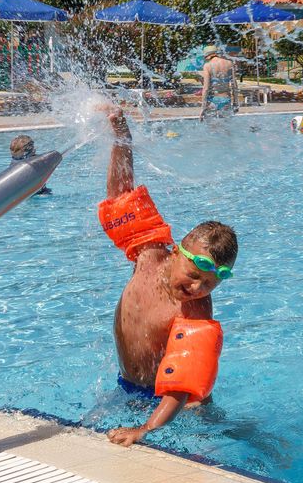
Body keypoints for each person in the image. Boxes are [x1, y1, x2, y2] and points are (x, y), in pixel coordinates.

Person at [100, 106, 238, 446]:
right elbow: (121, 196)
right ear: (175, 252)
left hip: (178, 405)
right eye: (194, 276)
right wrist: (121, 137)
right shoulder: (149, 255)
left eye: (209, 284)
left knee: (218, 447)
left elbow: (180, 385)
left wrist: (145, 430)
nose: (197, 288)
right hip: (129, 387)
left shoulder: (196, 312)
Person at [200, 45, 238, 119]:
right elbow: (234, 86)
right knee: (226, 128)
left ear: (207, 55)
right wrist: (236, 103)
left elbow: (206, 88)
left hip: (213, 100)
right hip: (226, 99)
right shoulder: (230, 63)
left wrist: (203, 108)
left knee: (212, 128)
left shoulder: (207, 66)